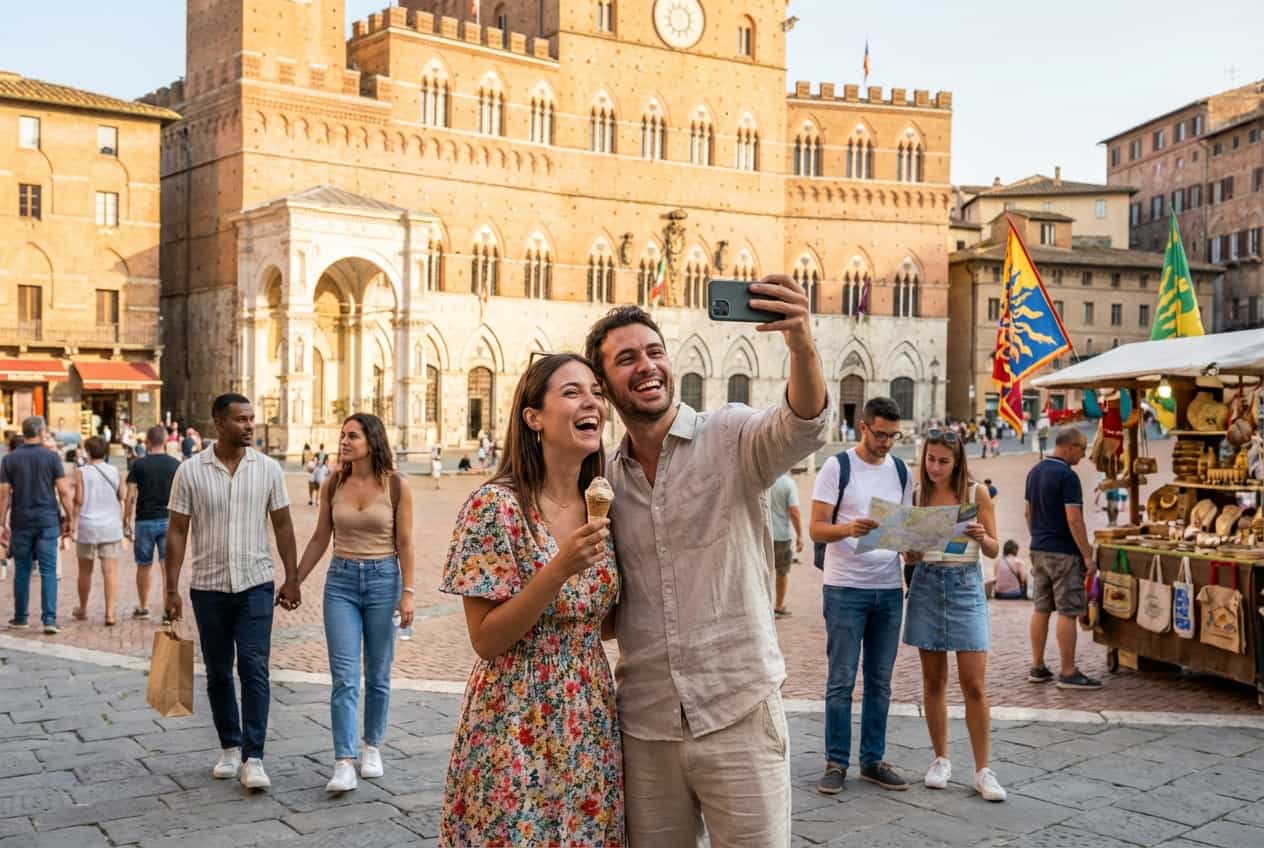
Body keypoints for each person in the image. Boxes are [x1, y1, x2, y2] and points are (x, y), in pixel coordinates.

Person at [585, 279, 828, 848]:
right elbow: (604, 610)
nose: (646, 366)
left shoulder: (731, 435)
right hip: (646, 725)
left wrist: (801, 344)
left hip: (738, 707)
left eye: (654, 352)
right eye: (626, 359)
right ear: (604, 385)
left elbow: (802, 427)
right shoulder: (603, 482)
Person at [439, 354, 621, 845]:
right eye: (572, 392)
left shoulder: (602, 503)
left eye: (597, 393)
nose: (592, 403)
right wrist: (557, 569)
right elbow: (487, 639)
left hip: (589, 714)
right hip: (514, 714)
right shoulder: (492, 507)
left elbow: (599, 622)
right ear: (533, 417)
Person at [164, 393, 301, 791]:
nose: (250, 426)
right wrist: (170, 588)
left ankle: (254, 757)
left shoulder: (269, 470)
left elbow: (284, 526)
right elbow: (176, 530)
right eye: (241, 420)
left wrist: (291, 577)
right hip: (207, 587)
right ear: (219, 423)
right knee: (219, 670)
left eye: (252, 419)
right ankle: (229, 745)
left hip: (255, 584)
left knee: (254, 666)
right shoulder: (189, 472)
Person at [294, 413, 415, 793]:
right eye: (342, 436)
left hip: (384, 580)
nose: (344, 442)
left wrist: (407, 592)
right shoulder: (333, 483)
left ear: (372, 440)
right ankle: (344, 761)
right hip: (341, 583)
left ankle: (372, 746)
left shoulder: (396, 486)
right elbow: (318, 538)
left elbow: (406, 544)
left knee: (378, 674)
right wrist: (295, 579)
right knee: (344, 677)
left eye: (352, 436)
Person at [810, 397, 912, 795]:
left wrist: (918, 541)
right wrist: (849, 530)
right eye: (881, 434)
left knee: (880, 681)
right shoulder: (838, 466)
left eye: (893, 435)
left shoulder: (902, 471)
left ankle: (873, 760)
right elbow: (818, 528)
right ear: (862, 427)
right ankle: (836, 762)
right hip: (845, 587)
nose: (887, 443)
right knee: (840, 680)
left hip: (888, 588)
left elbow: (902, 529)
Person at [903, 428, 1006, 802]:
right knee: (933, 681)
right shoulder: (918, 494)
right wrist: (909, 552)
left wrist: (981, 535)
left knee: (974, 683)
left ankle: (983, 769)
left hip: (965, 583)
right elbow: (911, 552)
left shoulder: (976, 494)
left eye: (943, 461)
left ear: (958, 461)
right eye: (930, 459)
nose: (935, 467)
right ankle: (940, 759)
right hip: (927, 583)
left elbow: (995, 550)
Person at [1025, 427, 1100, 690]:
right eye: (1082, 449)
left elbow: (1028, 512)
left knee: (1041, 608)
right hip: (1064, 552)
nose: (1083, 455)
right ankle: (1068, 671)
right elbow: (1074, 519)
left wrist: (1038, 536)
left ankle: (1037, 666)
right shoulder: (1067, 476)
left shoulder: (1035, 472)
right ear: (1069, 447)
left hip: (1039, 548)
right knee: (1068, 611)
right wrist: (1087, 555)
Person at [0, 417, 76, 634]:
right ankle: (49, 619)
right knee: (48, 570)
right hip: (47, 520)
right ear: (42, 432)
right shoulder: (52, 458)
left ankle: (21, 616)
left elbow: (3, 494)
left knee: (22, 569)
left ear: (24, 433)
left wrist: (1, 522)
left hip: (21, 519)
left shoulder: (10, 459)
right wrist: (70, 517)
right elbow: (63, 491)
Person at [124, 425, 181, 621]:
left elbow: (130, 495)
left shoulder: (138, 465)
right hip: (169, 520)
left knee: (143, 565)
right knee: (168, 567)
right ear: (165, 441)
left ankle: (143, 607)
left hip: (144, 521)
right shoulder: (175, 464)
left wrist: (126, 519)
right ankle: (168, 610)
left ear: (147, 442)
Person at [71, 436, 124, 626]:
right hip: (110, 526)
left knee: (85, 571)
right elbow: (122, 495)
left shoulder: (81, 472)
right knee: (110, 572)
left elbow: (78, 499)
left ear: (88, 452)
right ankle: (110, 613)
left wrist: (72, 522)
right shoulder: (114, 471)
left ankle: (83, 608)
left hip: (87, 525)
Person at [768, 472, 802, 618]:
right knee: (781, 573)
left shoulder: (763, 479)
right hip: (781, 536)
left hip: (762, 534)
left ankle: (762, 607)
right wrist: (800, 535)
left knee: (763, 571)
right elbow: (794, 512)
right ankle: (778, 606)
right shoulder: (788, 483)